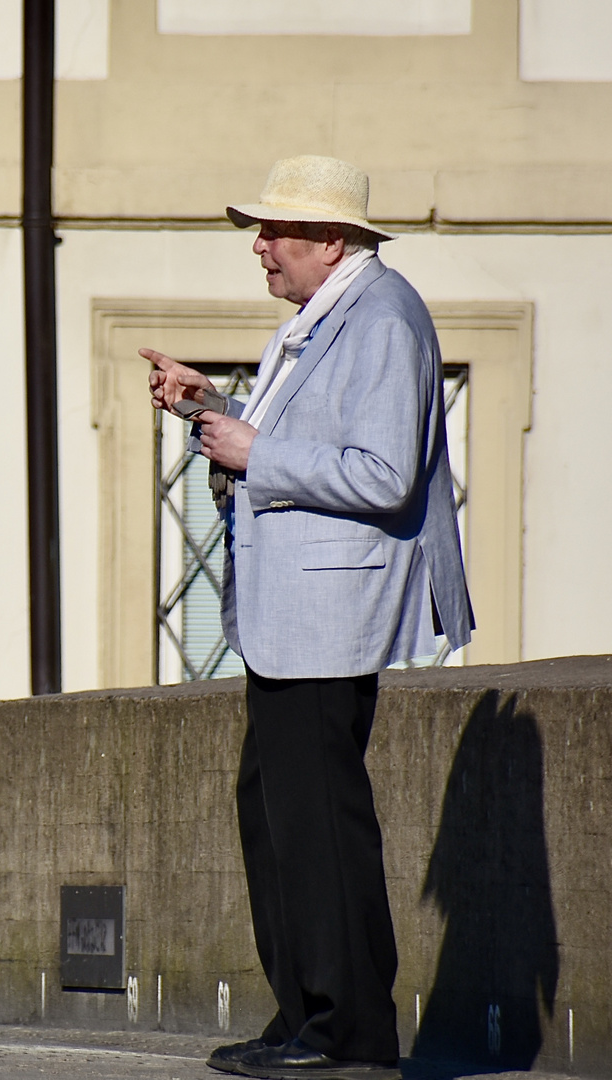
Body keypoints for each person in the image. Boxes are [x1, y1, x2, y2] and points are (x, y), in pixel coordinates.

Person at [145, 156, 472, 1080]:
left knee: (320, 826)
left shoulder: (383, 317)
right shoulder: (330, 315)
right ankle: (305, 1018)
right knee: (278, 819)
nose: (260, 248)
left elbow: (379, 474)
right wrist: (212, 408)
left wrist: (252, 447)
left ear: (332, 242)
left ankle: (348, 1035)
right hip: (294, 614)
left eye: (275, 232)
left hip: (330, 611)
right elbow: (305, 444)